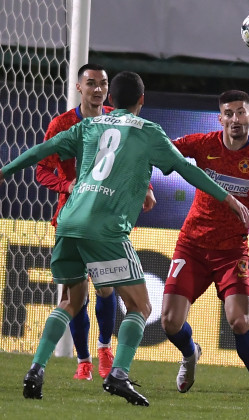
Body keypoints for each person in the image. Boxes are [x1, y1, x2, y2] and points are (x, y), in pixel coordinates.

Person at [2, 71, 249, 406]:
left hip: (68, 222)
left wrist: (3, 172)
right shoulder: (149, 132)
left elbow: (39, 152)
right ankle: (118, 374)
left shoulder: (87, 126)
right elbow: (188, 170)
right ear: (142, 101)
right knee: (140, 306)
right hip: (105, 229)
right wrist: (231, 199)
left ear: (109, 100)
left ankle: (36, 368)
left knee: (69, 302)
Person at [160, 89, 249, 401]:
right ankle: (190, 354)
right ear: (220, 119)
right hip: (192, 245)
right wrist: (146, 182)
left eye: (241, 112)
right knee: (169, 322)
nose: (235, 119)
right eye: (228, 114)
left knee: (240, 320)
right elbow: (161, 152)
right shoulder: (203, 144)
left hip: (231, 252)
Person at [36, 63, 156, 381]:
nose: (98, 89)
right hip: (72, 220)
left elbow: (132, 159)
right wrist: (68, 185)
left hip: (105, 220)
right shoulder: (62, 124)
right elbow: (41, 169)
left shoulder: (117, 121)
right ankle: (84, 360)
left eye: (103, 83)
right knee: (75, 295)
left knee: (106, 292)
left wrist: (147, 187)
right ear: (79, 88)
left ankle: (104, 350)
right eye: (91, 83)